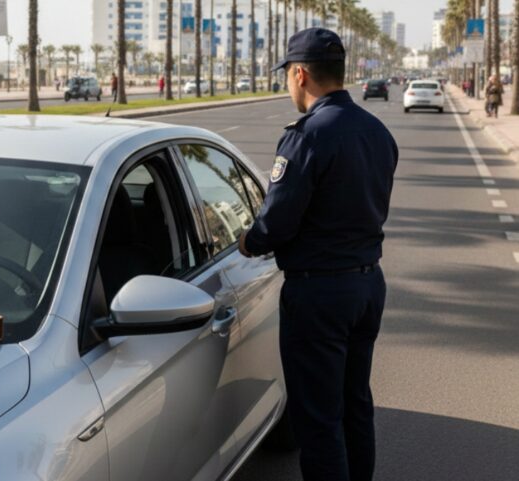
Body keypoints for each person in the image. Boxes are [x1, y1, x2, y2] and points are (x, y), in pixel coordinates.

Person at [237, 28, 398, 481]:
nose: (288, 85)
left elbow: (276, 222)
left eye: (287, 76)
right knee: (354, 405)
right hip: (367, 285)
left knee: (319, 418)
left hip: (320, 293)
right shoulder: (377, 131)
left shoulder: (306, 136)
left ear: (300, 74)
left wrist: (249, 242)